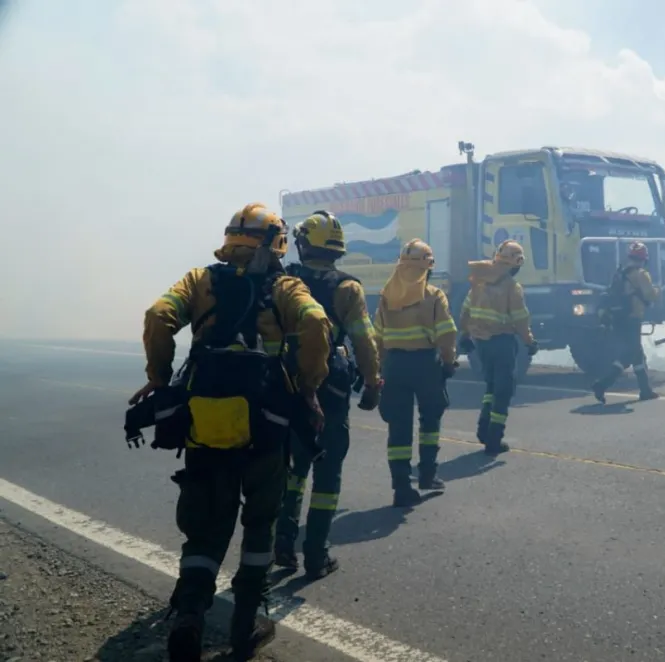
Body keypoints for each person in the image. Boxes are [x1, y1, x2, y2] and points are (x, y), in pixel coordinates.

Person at [131, 203, 332, 662]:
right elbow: (316, 322)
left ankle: (189, 614)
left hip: (204, 422)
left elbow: (158, 315)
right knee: (260, 522)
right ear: (276, 242)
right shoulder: (285, 286)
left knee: (204, 526)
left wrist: (158, 378)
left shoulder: (199, 280)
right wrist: (308, 389)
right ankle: (247, 622)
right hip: (267, 425)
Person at [274, 210, 382, 579]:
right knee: (328, 471)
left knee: (292, 467)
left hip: (285, 380)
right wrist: (373, 382)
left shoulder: (284, 281)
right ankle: (316, 555)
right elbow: (364, 341)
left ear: (303, 244)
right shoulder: (348, 289)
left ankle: (282, 543)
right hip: (331, 386)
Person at [373, 238, 458, 507]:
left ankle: (401, 487)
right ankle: (428, 475)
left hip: (394, 365)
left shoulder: (387, 295)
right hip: (426, 365)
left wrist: (379, 368)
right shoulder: (433, 296)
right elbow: (446, 334)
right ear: (428, 268)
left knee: (398, 427)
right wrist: (449, 363)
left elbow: (377, 336)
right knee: (430, 420)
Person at [457, 240, 537, 455]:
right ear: (516, 264)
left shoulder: (479, 282)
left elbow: (465, 311)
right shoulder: (512, 287)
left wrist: (465, 334)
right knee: (503, 390)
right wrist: (530, 342)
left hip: (481, 343)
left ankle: (484, 428)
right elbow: (521, 320)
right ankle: (494, 438)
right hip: (502, 342)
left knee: (491, 386)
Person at [591, 241, 661, 404]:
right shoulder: (641, 274)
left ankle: (645, 390)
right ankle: (602, 384)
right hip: (632, 318)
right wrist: (658, 291)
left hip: (619, 318)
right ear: (644, 259)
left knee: (637, 354)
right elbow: (650, 295)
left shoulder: (620, 273)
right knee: (628, 355)